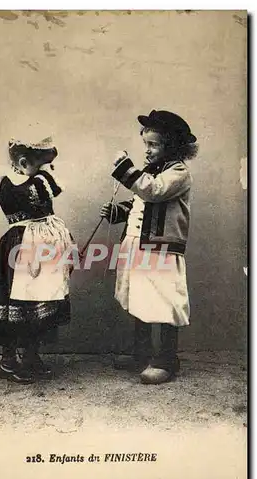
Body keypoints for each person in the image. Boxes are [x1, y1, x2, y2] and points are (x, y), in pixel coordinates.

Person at [100, 110, 198, 384]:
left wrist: (125, 169)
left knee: (164, 301)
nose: (147, 150)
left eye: (153, 145)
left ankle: (167, 359)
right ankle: (141, 353)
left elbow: (153, 191)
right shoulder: (153, 173)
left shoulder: (178, 173)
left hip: (161, 250)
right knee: (140, 298)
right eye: (145, 144)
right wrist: (118, 212)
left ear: (172, 146)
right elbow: (142, 204)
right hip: (140, 247)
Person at [0, 135, 73, 384]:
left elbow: (49, 204)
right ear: (23, 161)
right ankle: (10, 359)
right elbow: (40, 204)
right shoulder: (17, 185)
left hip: (39, 245)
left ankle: (31, 356)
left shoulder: (33, 179)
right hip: (22, 247)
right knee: (19, 301)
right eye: (41, 165)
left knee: (39, 301)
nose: (46, 171)